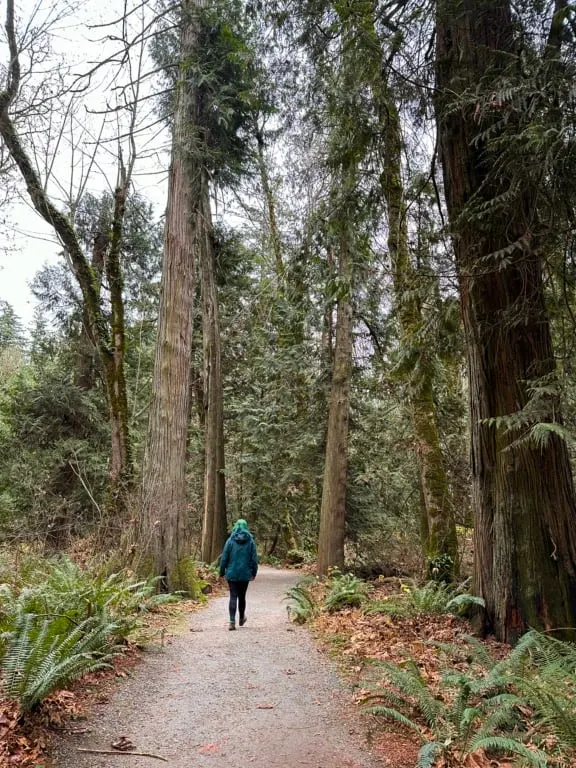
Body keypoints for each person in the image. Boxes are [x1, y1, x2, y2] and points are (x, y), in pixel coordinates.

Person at [219, 519, 258, 631]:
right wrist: (254, 572)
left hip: (232, 574)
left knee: (233, 596)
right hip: (245, 574)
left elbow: (224, 558)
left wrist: (222, 572)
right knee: (242, 596)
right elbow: (254, 559)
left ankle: (232, 622)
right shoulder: (250, 541)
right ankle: (241, 618)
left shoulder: (230, 541)